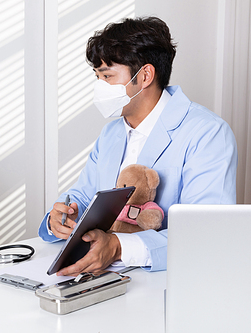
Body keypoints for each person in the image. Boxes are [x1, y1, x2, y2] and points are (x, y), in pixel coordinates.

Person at [38, 17, 237, 276]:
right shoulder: (111, 134)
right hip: (102, 281)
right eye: (97, 76)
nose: (99, 86)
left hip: (169, 284)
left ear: (144, 76)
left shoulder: (208, 133)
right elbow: (82, 197)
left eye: (107, 76)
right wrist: (61, 218)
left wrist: (120, 247)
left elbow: (208, 233)